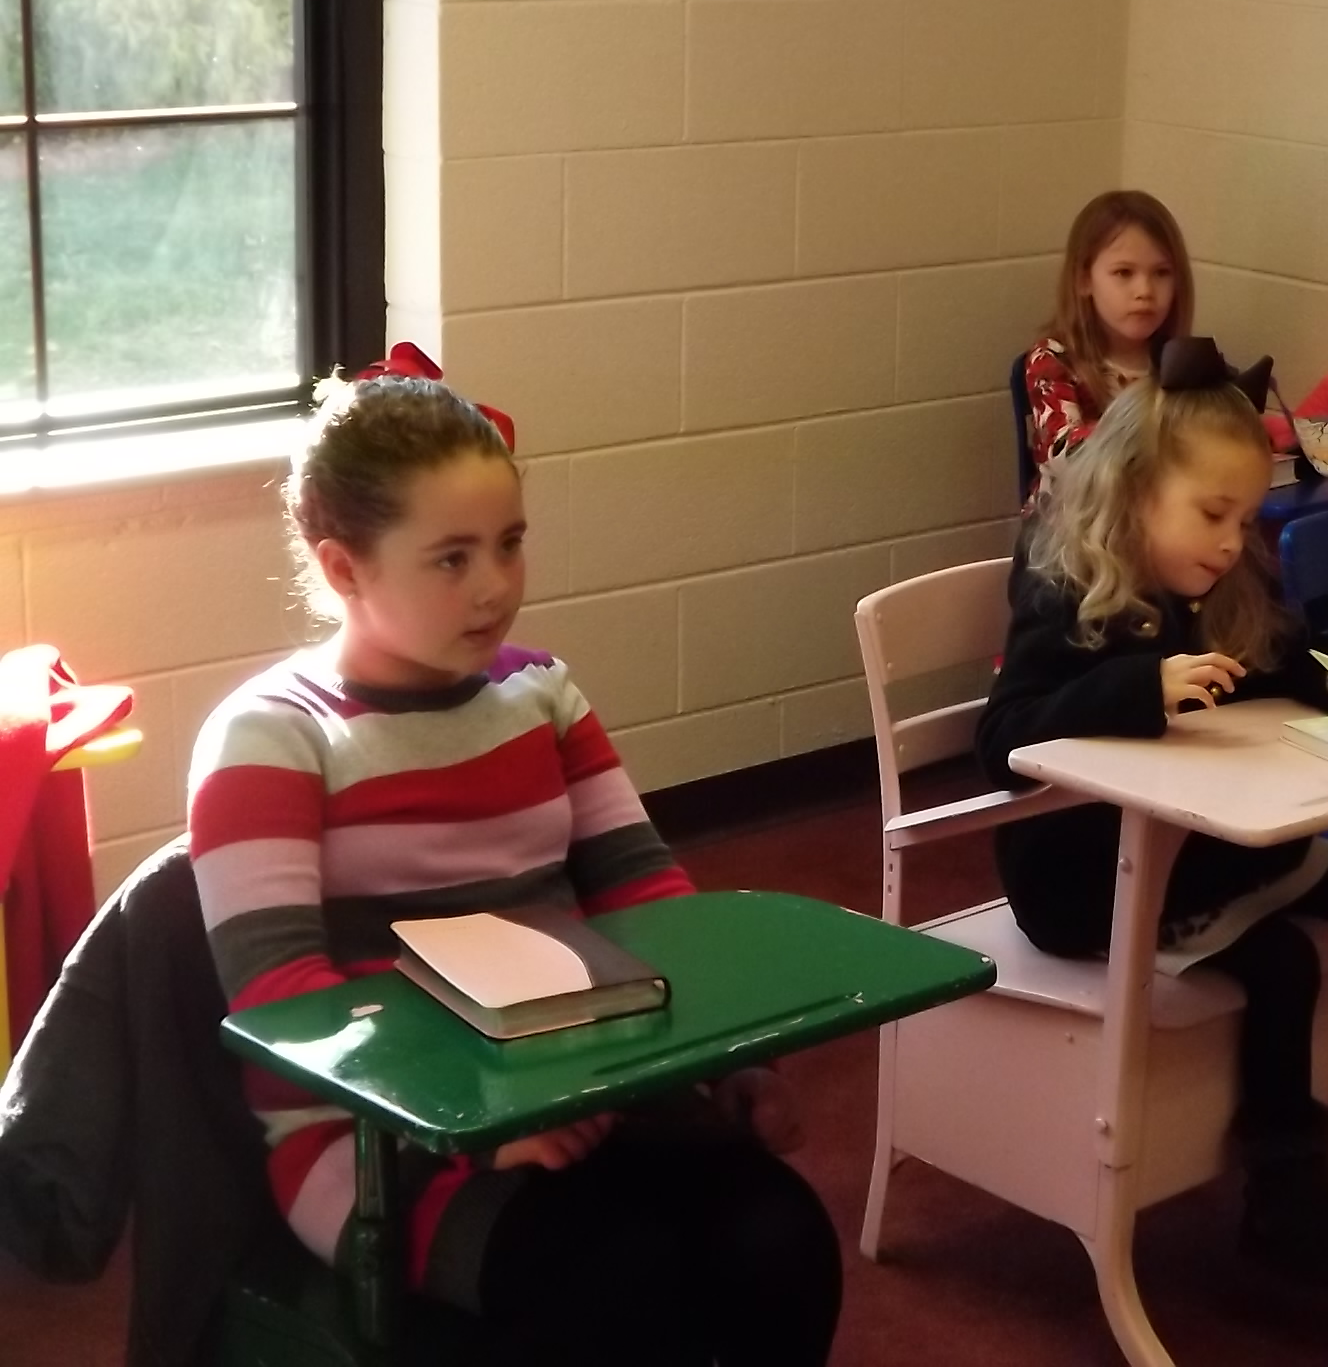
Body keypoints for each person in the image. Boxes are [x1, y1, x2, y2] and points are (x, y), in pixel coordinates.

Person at [186, 345, 839, 1364]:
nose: (495, 586)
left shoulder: (540, 695)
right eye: (452, 558)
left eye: (510, 543)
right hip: (380, 1143)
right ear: (344, 568)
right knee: (618, 1285)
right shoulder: (273, 734)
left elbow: (651, 901)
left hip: (588, 1087)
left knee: (784, 1242)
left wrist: (736, 1061)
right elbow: (288, 1005)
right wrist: (484, 1120)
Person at [975, 337, 1328, 1291]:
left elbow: (1270, 663)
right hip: (1080, 874)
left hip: (1176, 846)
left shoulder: (1213, 580)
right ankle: (1287, 1207)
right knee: (1286, 958)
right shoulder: (1064, 582)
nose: (1228, 540)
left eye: (1244, 518)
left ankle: (1236, 1097)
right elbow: (1002, 737)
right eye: (1212, 514)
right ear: (1135, 493)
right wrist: (1141, 687)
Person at [1020, 190, 1194, 498]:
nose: (1144, 290)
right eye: (1124, 273)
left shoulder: (1182, 361)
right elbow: (1067, 453)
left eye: (1162, 273)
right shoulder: (1053, 360)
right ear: (1083, 279)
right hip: (1070, 519)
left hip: (1156, 514)